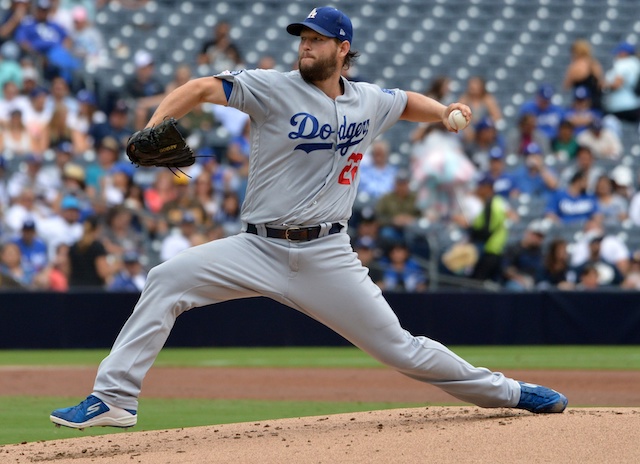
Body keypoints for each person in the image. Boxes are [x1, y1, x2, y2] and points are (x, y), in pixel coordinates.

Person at [49, 7, 567, 430]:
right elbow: (203, 87)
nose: (305, 45)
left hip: (327, 254)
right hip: (257, 248)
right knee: (166, 279)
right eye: (303, 37)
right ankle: (115, 398)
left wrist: (444, 111)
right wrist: (158, 122)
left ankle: (513, 392)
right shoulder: (271, 87)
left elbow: (406, 102)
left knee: (402, 350)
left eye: (317, 39)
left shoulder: (367, 101)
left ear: (342, 49)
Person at [602, 42, 640, 124]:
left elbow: (617, 84)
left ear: (623, 53)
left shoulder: (623, 64)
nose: (616, 55)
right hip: (635, 104)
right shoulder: (636, 63)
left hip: (620, 106)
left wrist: (604, 85)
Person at [563, 39, 604, 112]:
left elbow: (566, 86)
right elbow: (600, 83)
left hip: (580, 103)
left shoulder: (574, 66)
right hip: (595, 101)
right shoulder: (594, 64)